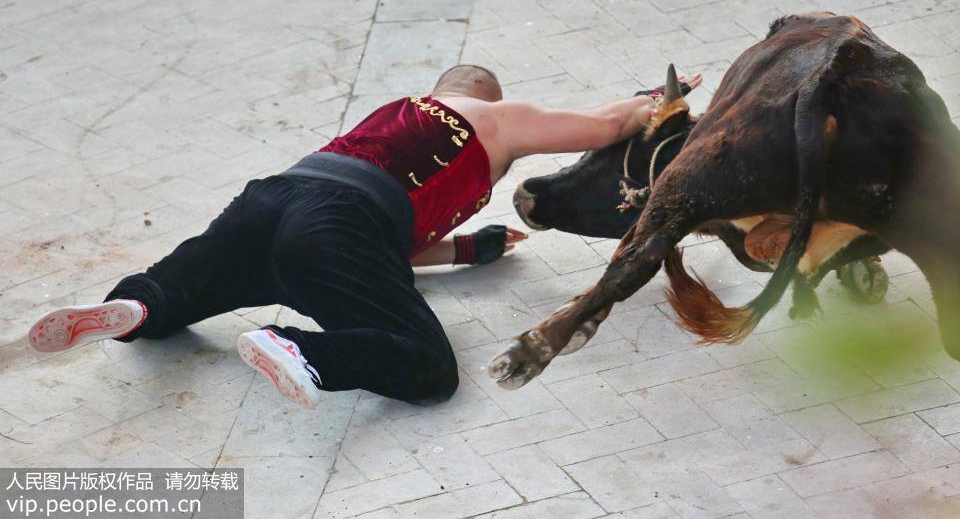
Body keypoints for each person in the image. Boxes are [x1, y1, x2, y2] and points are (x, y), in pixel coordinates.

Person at [28, 65, 702, 408]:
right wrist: (659, 99)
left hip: (274, 202)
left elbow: (390, 254)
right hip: (337, 228)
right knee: (428, 367)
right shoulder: (494, 117)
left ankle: (135, 308)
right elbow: (606, 125)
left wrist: (470, 249)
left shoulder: (391, 121)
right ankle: (300, 349)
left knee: (180, 288)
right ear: (482, 94)